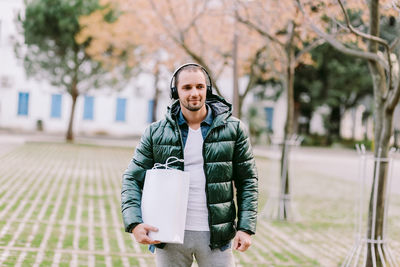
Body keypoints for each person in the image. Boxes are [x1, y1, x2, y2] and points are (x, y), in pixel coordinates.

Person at [121, 63, 258, 267]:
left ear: (207, 89)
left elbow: (247, 181)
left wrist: (245, 228)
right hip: (168, 236)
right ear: (175, 91)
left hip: (217, 238)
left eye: (200, 87)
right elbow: (132, 178)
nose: (194, 93)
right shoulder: (156, 132)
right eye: (187, 87)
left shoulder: (234, 129)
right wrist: (134, 223)